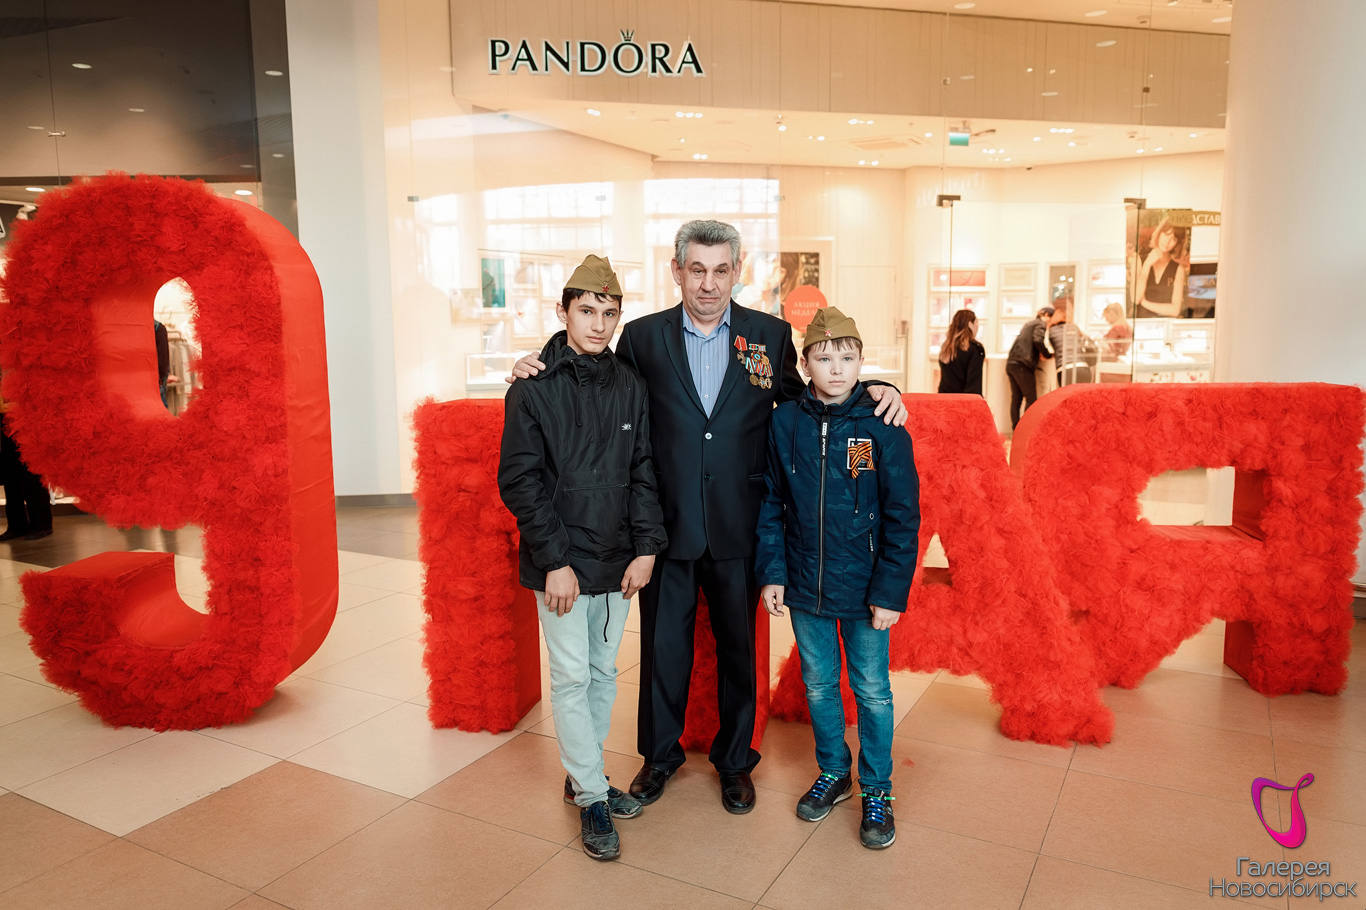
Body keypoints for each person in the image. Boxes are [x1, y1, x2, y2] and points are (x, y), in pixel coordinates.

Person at [508, 220, 907, 815]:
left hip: (740, 523)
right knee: (663, 650)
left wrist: (874, 387)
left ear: (736, 272)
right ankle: (659, 756)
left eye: (721, 270)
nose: (709, 283)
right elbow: (592, 370)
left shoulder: (768, 335)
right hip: (664, 525)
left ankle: (735, 761)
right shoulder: (642, 337)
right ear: (677, 271)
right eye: (697, 269)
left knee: (738, 651)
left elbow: (812, 396)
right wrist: (537, 360)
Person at [497, 255, 667, 861]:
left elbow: (643, 470)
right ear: (563, 311)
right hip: (562, 565)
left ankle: (583, 776)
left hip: (618, 560)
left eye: (609, 313)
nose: (599, 324)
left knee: (602, 674)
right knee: (571, 678)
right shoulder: (532, 387)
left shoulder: (631, 384)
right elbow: (520, 482)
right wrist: (554, 562)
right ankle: (593, 796)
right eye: (587, 310)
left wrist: (647, 548)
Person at [755, 306, 920, 850]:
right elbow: (771, 502)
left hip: (867, 588)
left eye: (847, 358)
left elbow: (903, 515)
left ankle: (877, 788)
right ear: (805, 364)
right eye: (824, 358)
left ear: (861, 362)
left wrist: (890, 592)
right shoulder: (785, 422)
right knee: (820, 685)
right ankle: (833, 771)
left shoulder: (883, 425)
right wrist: (773, 572)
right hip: (805, 585)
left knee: (872, 691)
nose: (836, 369)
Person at [1005, 306, 1057, 429]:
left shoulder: (1029, 323)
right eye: (1051, 318)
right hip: (1023, 364)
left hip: (1011, 363)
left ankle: (1016, 429)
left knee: (1016, 398)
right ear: (1046, 315)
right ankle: (1026, 429)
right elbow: (1037, 340)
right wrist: (1047, 354)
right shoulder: (1040, 324)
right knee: (1031, 398)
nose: (1051, 322)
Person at [1134, 216, 1189, 318]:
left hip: (1166, 324)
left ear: (1177, 244)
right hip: (1142, 324)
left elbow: (1175, 310)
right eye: (1166, 234)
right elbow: (1136, 298)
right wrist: (1147, 264)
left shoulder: (1178, 269)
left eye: (1173, 239)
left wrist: (1145, 303)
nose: (1167, 241)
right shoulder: (1139, 260)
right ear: (1159, 232)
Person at [936, 309, 986, 395]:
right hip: (962, 400)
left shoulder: (946, 347)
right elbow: (974, 385)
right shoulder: (975, 349)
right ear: (970, 324)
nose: (977, 326)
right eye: (976, 323)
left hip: (944, 398)